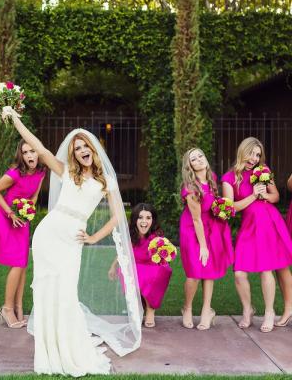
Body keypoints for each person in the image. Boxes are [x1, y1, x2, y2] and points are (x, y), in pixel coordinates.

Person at [2, 107, 142, 377]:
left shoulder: (106, 181)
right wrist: (15, 119)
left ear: (93, 148)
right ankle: (48, 348)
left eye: (85, 146)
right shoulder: (66, 171)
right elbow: (39, 147)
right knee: (45, 289)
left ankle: (66, 345)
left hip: (72, 238)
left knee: (66, 291)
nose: (81, 151)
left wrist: (92, 237)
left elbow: (117, 218)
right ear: (74, 154)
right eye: (77, 149)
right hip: (49, 233)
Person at [222, 137, 292, 332]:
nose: (254, 158)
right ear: (242, 152)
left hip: (269, 222)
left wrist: (264, 195)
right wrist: (253, 196)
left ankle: (270, 312)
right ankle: (248, 309)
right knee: (239, 273)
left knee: (267, 269)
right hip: (249, 226)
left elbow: (276, 196)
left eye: (258, 155)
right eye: (251, 153)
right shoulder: (229, 177)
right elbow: (230, 208)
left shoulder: (263, 171)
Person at [0, 140, 45, 328]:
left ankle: (18, 308)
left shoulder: (42, 172)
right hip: (5, 216)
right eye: (26, 152)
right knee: (17, 262)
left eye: (33, 151)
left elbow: (35, 195)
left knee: (22, 263)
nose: (30, 156)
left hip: (22, 219)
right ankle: (7, 308)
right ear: (21, 155)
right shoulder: (14, 173)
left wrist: (29, 208)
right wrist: (11, 213)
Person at [180, 148, 233, 330]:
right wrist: (203, 246)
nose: (199, 160)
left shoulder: (212, 179)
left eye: (201, 156)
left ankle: (206, 310)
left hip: (211, 227)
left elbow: (213, 203)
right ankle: (187, 308)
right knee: (194, 273)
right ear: (190, 166)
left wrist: (221, 210)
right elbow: (196, 219)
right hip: (192, 229)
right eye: (194, 159)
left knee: (209, 270)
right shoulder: (191, 188)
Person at [108, 202, 172, 328]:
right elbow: (123, 252)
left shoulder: (157, 237)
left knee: (150, 274)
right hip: (136, 266)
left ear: (152, 221)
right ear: (135, 219)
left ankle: (150, 309)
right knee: (127, 270)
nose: (144, 221)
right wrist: (113, 266)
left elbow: (164, 257)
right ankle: (137, 306)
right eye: (140, 217)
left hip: (153, 268)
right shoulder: (130, 235)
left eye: (148, 218)